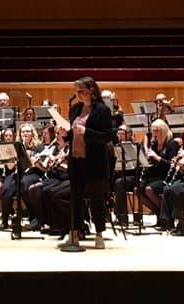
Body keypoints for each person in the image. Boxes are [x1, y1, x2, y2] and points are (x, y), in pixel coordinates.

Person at [67, 76, 113, 249]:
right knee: (75, 198)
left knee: (96, 199)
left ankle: (99, 234)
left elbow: (107, 136)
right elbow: (72, 134)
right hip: (76, 159)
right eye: (77, 91)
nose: (78, 94)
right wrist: (65, 134)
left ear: (91, 90)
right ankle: (74, 234)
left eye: (81, 91)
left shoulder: (102, 110)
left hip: (94, 161)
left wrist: (86, 131)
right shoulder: (75, 109)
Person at [140, 119, 180, 214]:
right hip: (155, 175)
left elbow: (172, 165)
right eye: (153, 130)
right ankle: (159, 213)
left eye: (156, 130)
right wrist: (146, 160)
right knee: (137, 189)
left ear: (163, 130)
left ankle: (166, 214)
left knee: (149, 190)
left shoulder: (172, 144)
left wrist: (157, 158)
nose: (154, 133)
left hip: (166, 176)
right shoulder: (154, 143)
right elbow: (152, 162)